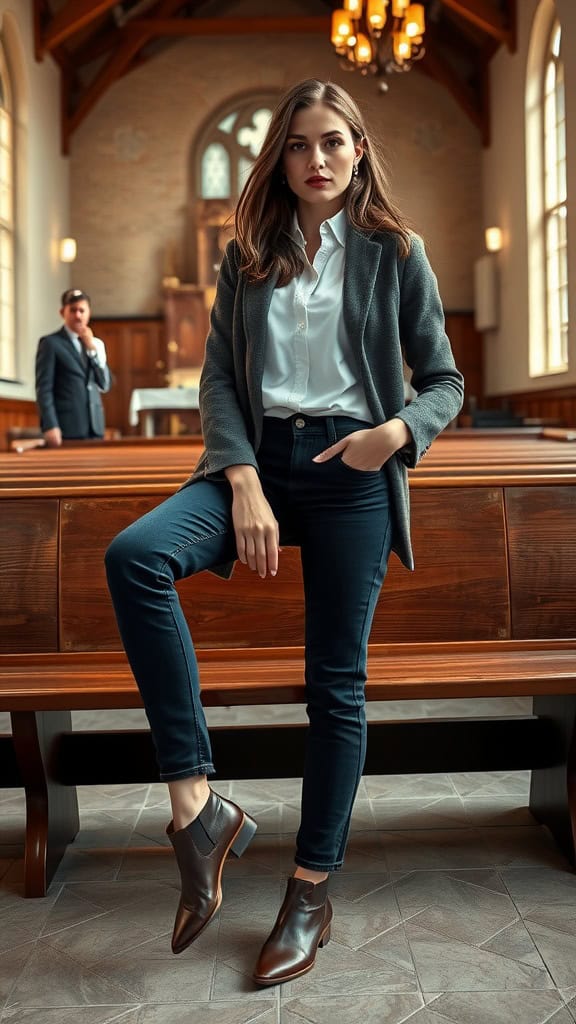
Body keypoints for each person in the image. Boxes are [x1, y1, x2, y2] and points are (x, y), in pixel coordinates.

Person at [105, 78, 464, 986]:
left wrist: (396, 434)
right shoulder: (249, 253)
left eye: (334, 142)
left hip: (352, 472)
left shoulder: (394, 251)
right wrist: (243, 481)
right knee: (136, 557)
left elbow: (444, 381)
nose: (318, 160)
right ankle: (198, 803)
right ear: (281, 157)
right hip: (254, 463)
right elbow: (221, 379)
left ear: (359, 149)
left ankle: (310, 890)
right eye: (301, 145)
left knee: (335, 686)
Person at [35, 288, 111, 446]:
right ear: (63, 312)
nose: (78, 315)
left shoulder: (95, 345)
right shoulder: (50, 343)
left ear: (89, 312)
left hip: (94, 427)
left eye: (82, 310)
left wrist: (92, 350)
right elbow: (44, 389)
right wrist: (50, 425)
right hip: (67, 428)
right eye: (73, 310)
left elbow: (104, 384)